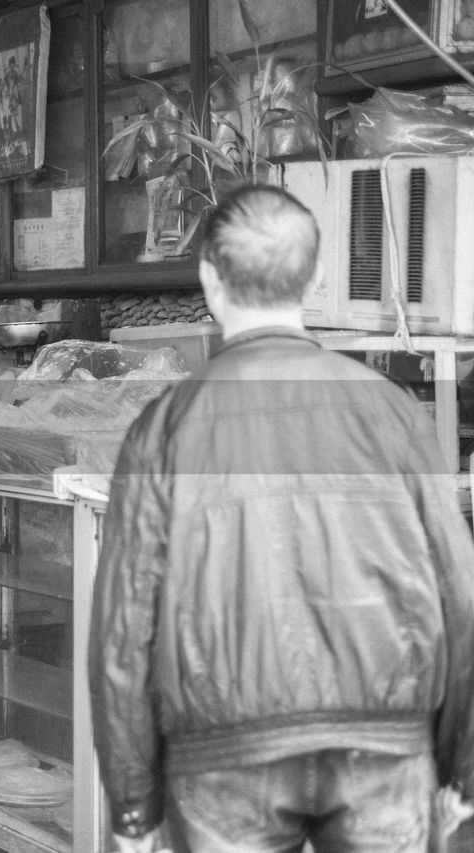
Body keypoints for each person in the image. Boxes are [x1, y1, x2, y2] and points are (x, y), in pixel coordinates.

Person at [89, 184, 474, 852]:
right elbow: (461, 599)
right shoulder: (393, 412)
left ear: (209, 276)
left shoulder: (164, 428)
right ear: (317, 275)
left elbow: (125, 632)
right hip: (387, 749)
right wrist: (461, 771)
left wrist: (133, 807)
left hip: (220, 758)